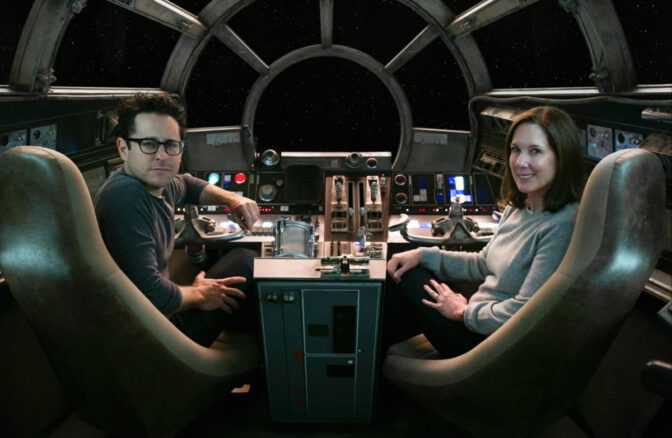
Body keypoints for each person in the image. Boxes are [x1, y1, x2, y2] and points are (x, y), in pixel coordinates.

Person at [386, 106, 584, 357]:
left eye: (535, 151)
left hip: (493, 345)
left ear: (561, 158)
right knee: (401, 269)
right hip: (478, 323)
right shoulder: (519, 207)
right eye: (516, 149)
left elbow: (527, 312)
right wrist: (423, 255)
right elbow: (482, 263)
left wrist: (464, 312)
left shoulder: (562, 224)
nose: (520, 162)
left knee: (401, 279)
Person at [94, 93, 260, 347]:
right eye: (149, 144)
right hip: (151, 339)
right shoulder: (125, 195)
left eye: (171, 145)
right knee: (247, 262)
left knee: (241, 267)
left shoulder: (158, 184)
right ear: (123, 149)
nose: (162, 155)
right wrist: (198, 294)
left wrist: (232, 199)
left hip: (157, 320)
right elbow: (149, 294)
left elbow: (188, 184)